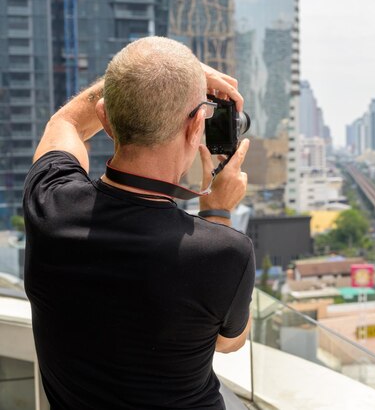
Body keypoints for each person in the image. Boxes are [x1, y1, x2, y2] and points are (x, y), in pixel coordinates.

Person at [23, 36, 254, 410]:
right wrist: (217, 212)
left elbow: (65, 121)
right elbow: (229, 341)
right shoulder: (224, 251)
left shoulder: (50, 205)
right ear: (197, 124)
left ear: (104, 117)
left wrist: (128, 87)